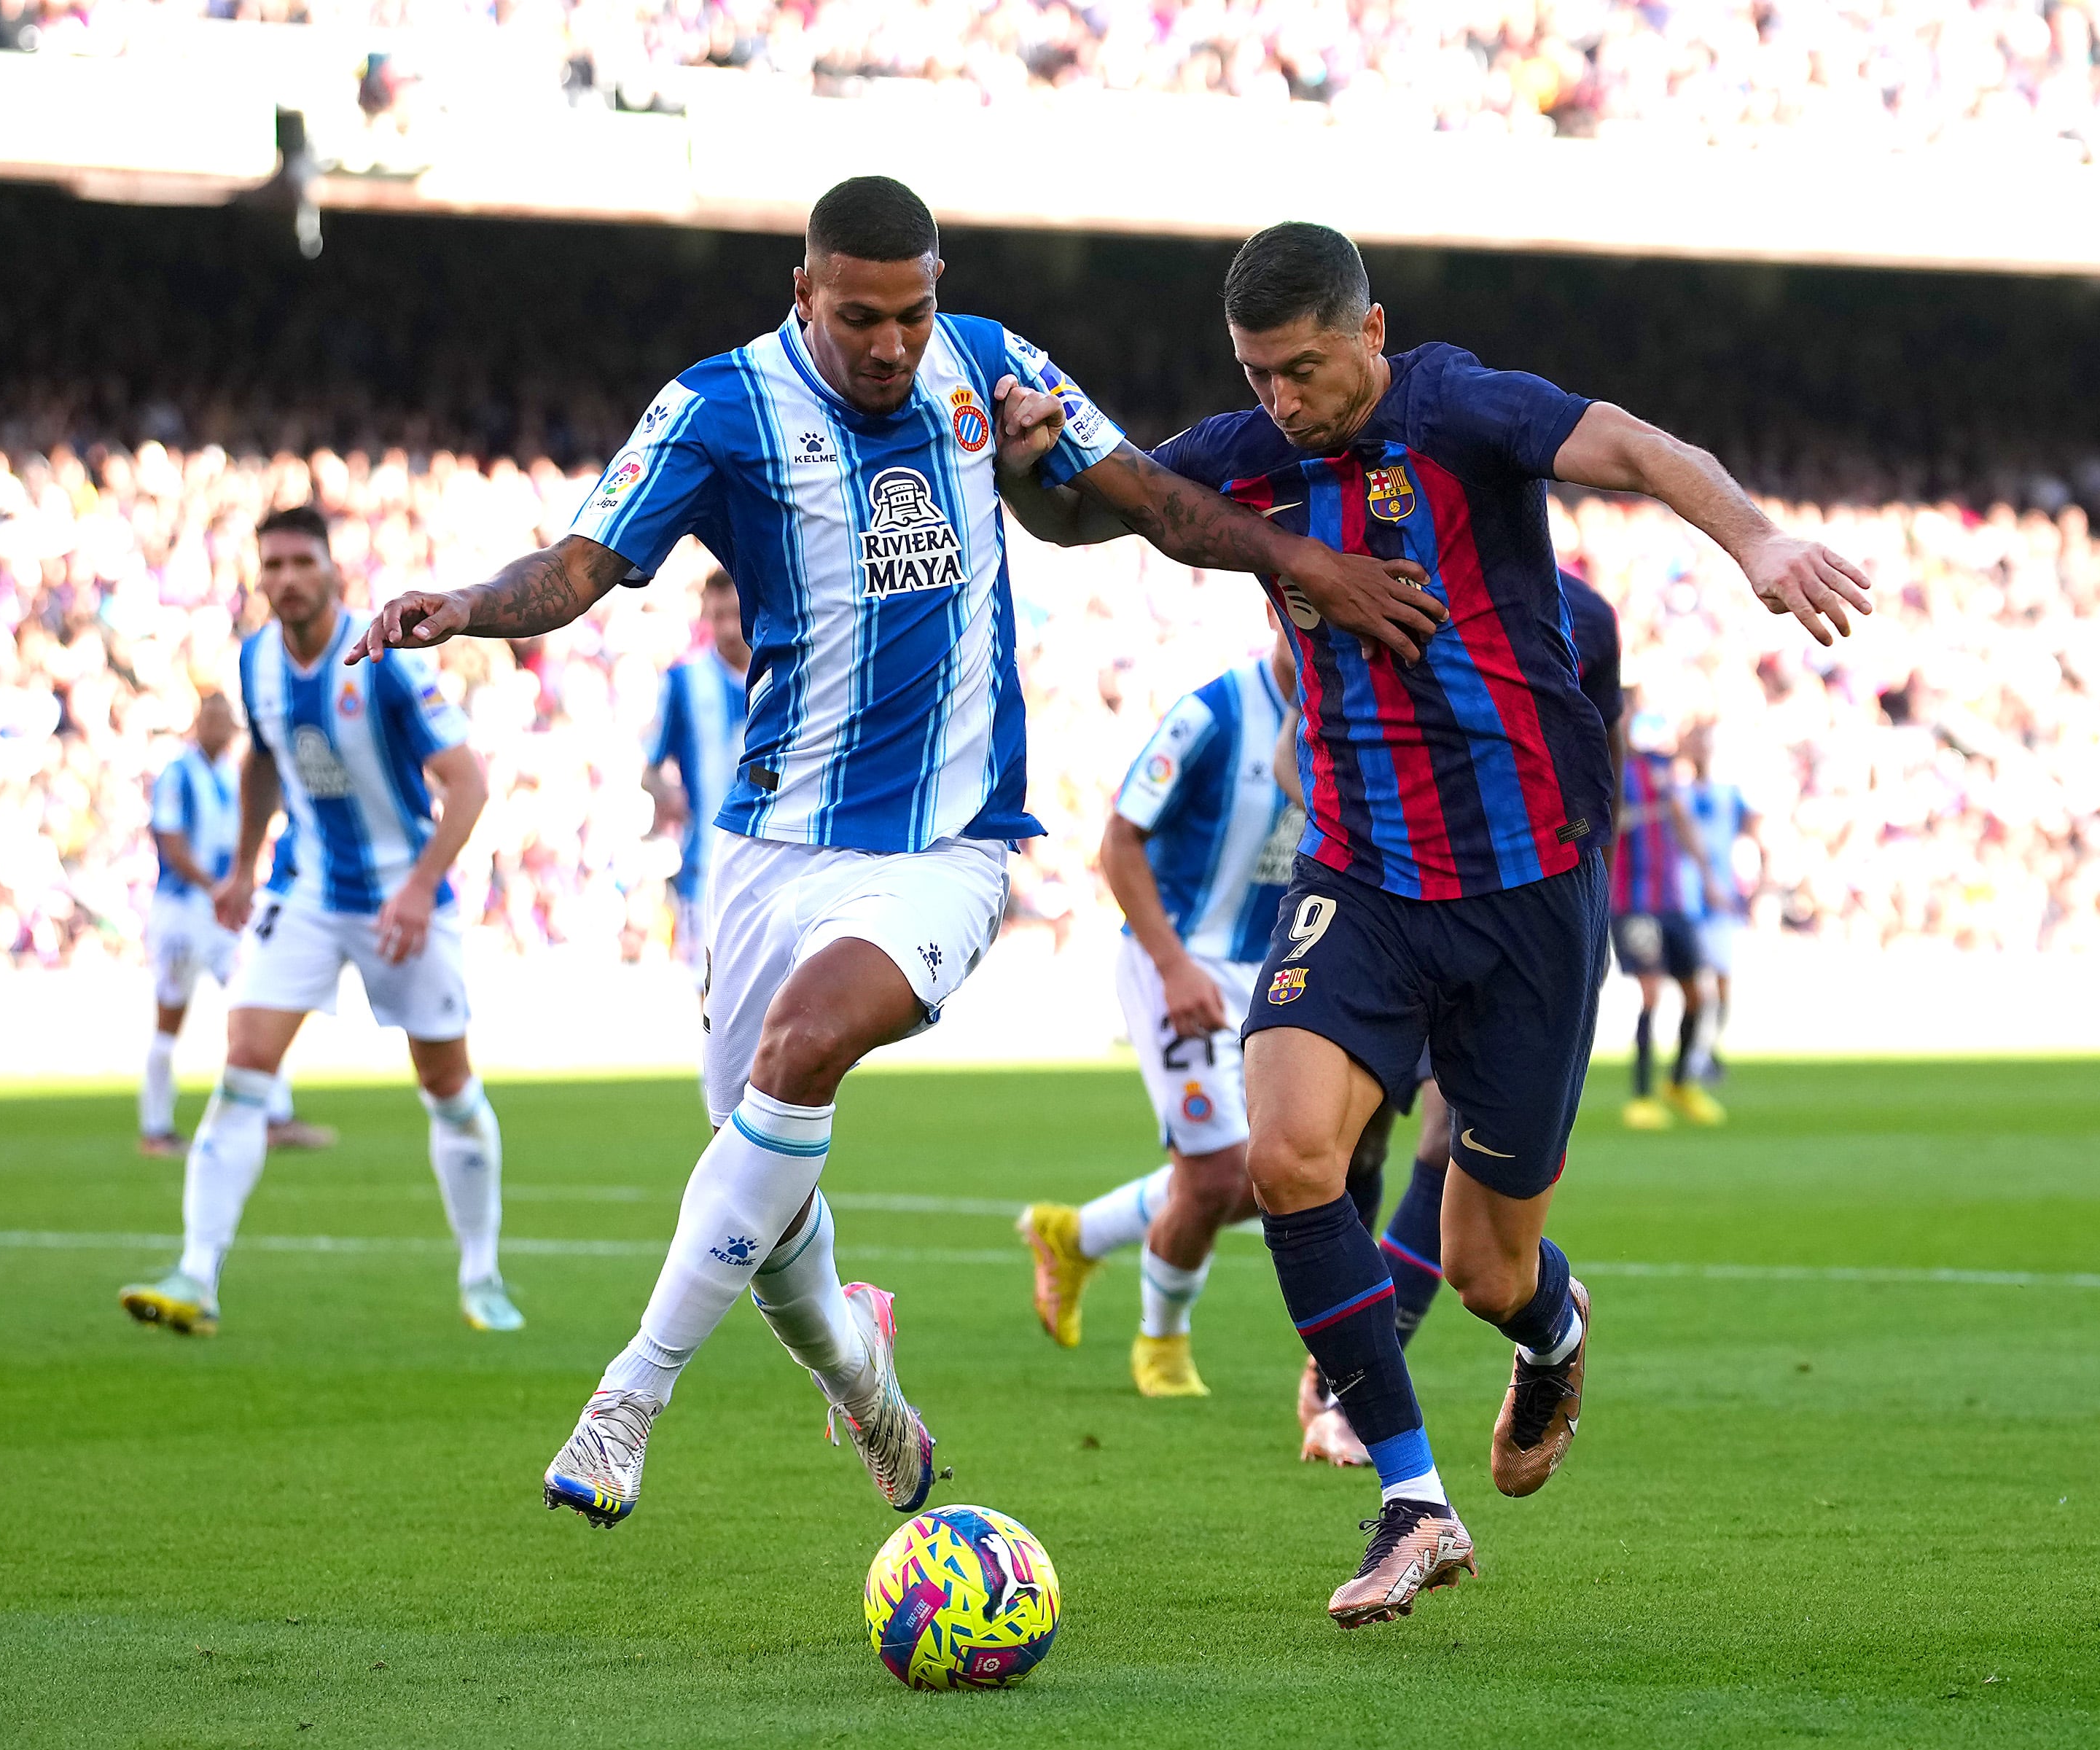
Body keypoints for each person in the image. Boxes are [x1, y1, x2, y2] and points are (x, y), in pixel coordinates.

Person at [343, 176, 1444, 1530]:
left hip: (944, 845)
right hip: (767, 846)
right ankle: (868, 1386)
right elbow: (581, 567)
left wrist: (1302, 563)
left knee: (801, 1051)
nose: (891, 345)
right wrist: (462, 604)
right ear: (801, 296)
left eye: (914, 312)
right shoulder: (717, 408)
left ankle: (630, 1395)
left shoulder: (992, 368)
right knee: (761, 1181)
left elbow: (1151, 499)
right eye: (859, 316)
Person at [1003, 221, 1867, 1626]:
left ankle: (1553, 1331)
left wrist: (1758, 538)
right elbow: (1106, 509)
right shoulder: (1252, 454)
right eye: (1255, 376)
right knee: (1285, 1153)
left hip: (1528, 894)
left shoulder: (1462, 409)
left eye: (1299, 371)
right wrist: (1026, 459)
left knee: (1484, 1266)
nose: (1279, 401)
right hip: (1358, 876)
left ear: (1369, 332)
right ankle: (1413, 1501)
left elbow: (1647, 453)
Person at [117, 504, 521, 1339]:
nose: (286, 579)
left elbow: (469, 784)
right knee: (242, 1067)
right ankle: (196, 1275)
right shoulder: (258, 660)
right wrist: (239, 867)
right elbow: (266, 758)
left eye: (302, 562)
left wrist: (417, 887)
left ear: (334, 570)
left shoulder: (389, 663)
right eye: (271, 566)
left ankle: (481, 1274)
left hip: (403, 898)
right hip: (301, 892)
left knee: (446, 1085)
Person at [1297, 564, 1627, 1467]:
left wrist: (1584, 915)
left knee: (1454, 1180)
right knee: (1324, 1144)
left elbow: (1602, 766)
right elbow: (1316, 724)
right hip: (1379, 904)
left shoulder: (1585, 619)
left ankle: (1371, 1380)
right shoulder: (1367, 568)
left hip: (1514, 923)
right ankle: (1342, 1368)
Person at [1017, 624, 1300, 1399]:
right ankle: (1160, 1347)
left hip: (1277, 970)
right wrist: (1174, 964)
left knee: (1275, 1171)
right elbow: (1118, 841)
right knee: (1212, 1176)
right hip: (1173, 959)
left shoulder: (1355, 716)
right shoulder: (1210, 715)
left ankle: (1074, 1235)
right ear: (1274, 612)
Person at [138, 690, 335, 1157]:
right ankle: (156, 1128)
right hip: (185, 911)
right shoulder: (178, 773)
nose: (218, 725)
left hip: (227, 912)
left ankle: (275, 1117)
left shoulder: (235, 773)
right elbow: (171, 841)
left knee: (259, 999)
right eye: (210, 716)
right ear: (197, 722)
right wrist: (216, 886)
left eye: (225, 718)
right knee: (170, 1017)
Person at [1611, 719, 1724, 1128]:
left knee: (1699, 992)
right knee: (1651, 992)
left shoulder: (1664, 772)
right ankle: (1641, 1096)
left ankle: (1679, 1084)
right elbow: (1587, 826)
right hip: (1632, 904)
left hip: (1671, 902)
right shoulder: (1612, 770)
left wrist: (1709, 878)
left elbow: (1683, 824)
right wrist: (1636, 816)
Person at [643, 569, 750, 979]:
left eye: (734, 614)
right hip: (708, 860)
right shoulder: (684, 680)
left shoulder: (786, 675)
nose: (726, 627)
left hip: (781, 852)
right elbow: (650, 769)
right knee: (714, 992)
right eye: (717, 615)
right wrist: (666, 792)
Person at [1680, 718, 1752, 1083]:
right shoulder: (1677, 794)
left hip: (1722, 896)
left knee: (1723, 978)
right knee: (1695, 980)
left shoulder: (1731, 793)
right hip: (1688, 896)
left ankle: (1708, 1049)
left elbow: (1755, 831)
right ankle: (1694, 1053)